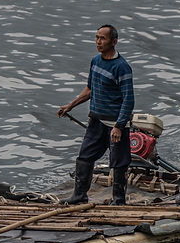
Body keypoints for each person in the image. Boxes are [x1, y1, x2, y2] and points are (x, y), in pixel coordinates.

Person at [56, 24, 135, 205]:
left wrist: (119, 126)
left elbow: (128, 100)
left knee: (119, 163)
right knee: (84, 157)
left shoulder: (122, 68)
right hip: (96, 121)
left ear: (114, 42)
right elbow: (90, 89)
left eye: (103, 38)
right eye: (97, 37)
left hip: (115, 124)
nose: (98, 42)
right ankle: (79, 195)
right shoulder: (95, 61)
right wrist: (70, 105)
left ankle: (119, 200)